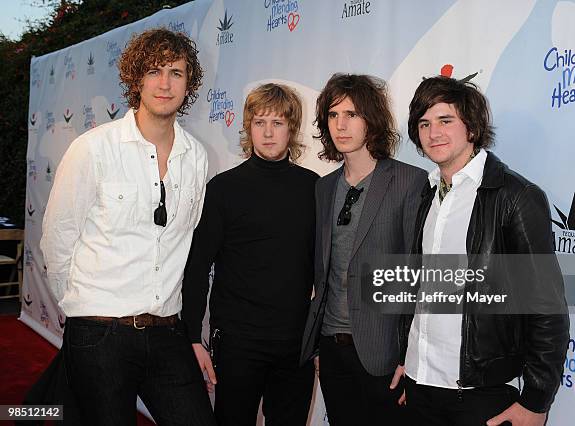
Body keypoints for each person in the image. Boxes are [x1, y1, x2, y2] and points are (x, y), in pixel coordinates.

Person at [40, 28, 214, 425]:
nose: (165, 83)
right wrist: (84, 308)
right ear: (136, 79)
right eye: (154, 71)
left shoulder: (197, 157)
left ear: (189, 83)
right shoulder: (94, 148)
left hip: (167, 330)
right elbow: (58, 238)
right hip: (101, 333)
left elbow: (185, 239)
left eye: (176, 72)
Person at [403, 75, 570, 426]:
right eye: (424, 123)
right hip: (419, 388)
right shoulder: (427, 194)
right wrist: (410, 363)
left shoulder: (515, 196)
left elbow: (547, 306)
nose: (434, 133)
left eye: (445, 121)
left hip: (482, 394)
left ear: (472, 127)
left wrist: (536, 401)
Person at [182, 83, 318, 426]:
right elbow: (197, 268)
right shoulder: (224, 189)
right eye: (260, 123)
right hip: (237, 342)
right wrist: (192, 336)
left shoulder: (314, 188)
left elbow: (325, 269)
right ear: (248, 127)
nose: (268, 133)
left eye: (278, 123)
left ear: (292, 128)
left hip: (295, 342)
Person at [299, 73, 427, 425]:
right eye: (333, 115)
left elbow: (418, 276)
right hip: (330, 347)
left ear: (371, 120)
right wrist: (320, 345)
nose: (341, 125)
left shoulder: (408, 181)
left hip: (383, 352)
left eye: (352, 115)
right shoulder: (324, 188)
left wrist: (408, 357)